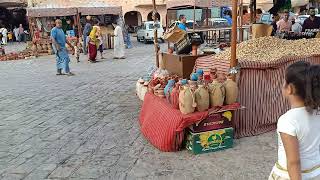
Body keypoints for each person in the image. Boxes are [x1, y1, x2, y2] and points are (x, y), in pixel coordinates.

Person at [269, 61, 320, 180]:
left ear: (290, 88)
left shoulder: (287, 121)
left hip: (290, 176)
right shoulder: (318, 112)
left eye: (284, 81)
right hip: (315, 172)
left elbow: (294, 162)